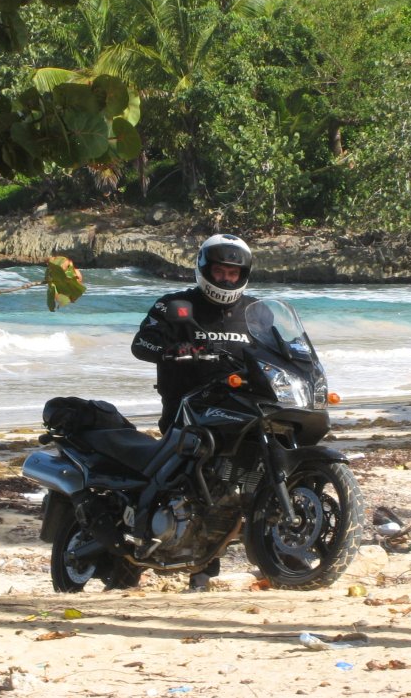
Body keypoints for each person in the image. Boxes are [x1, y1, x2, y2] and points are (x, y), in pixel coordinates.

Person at [131, 233, 257, 590]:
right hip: (188, 407)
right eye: (220, 271)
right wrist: (172, 347)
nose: (226, 279)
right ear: (205, 269)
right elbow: (141, 344)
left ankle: (279, 547)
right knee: (193, 484)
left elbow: (283, 346)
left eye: (234, 273)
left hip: (243, 407)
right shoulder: (174, 304)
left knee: (257, 472)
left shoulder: (256, 310)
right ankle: (195, 565)